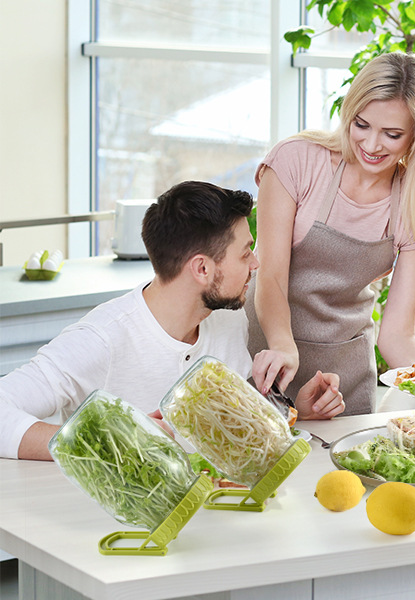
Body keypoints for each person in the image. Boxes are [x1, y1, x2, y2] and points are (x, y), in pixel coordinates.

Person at [0, 181, 344, 461]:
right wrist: (112, 439)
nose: (255, 264)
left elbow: (232, 433)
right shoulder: (101, 339)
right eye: (245, 253)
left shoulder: (226, 320)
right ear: (202, 269)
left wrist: (295, 413)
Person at [246, 51, 415, 415]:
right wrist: (283, 346)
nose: (373, 145)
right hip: (268, 358)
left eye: (392, 134)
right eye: (362, 125)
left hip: (344, 380)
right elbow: (270, 277)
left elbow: (397, 334)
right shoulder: (295, 161)